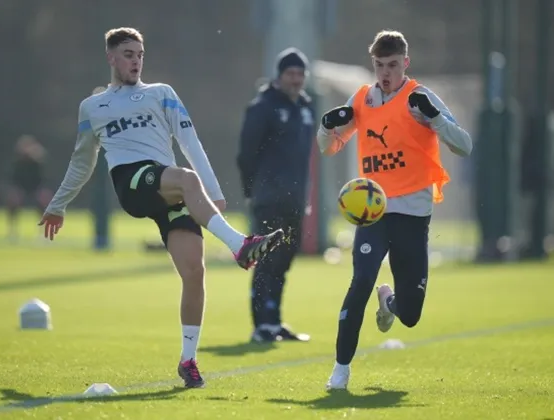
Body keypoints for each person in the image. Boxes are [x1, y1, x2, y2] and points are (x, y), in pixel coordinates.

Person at [39, 27, 284, 388]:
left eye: (139, 54)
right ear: (110, 57)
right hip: (133, 182)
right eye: (127, 53)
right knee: (184, 179)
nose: (135, 60)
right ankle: (239, 245)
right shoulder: (93, 107)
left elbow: (190, 141)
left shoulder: (162, 94)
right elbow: (81, 162)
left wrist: (212, 193)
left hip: (167, 189)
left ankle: (188, 361)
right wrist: (58, 204)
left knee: (194, 273)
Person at [316, 30, 473, 390]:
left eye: (392, 65)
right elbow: (328, 148)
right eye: (378, 65)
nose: (385, 73)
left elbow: (463, 145)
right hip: (374, 213)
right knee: (360, 281)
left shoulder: (420, 98)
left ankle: (389, 301)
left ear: (406, 63)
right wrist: (327, 127)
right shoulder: (362, 100)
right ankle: (340, 371)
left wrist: (435, 120)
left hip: (413, 215)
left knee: (412, 315)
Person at [237, 48, 314, 343]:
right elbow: (246, 154)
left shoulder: (306, 108)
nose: (295, 80)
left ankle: (275, 320)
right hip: (268, 199)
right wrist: (251, 191)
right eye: (290, 74)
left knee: (284, 261)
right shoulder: (263, 106)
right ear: (279, 76)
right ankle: (262, 326)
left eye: (299, 74)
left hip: (295, 200)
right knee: (266, 261)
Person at [1, 134, 53, 242]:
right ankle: (12, 232)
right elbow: (11, 180)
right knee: (12, 199)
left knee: (44, 200)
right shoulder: (17, 163)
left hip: (36, 189)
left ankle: (43, 232)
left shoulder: (38, 163)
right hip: (20, 189)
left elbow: (44, 181)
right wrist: (13, 192)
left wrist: (43, 193)